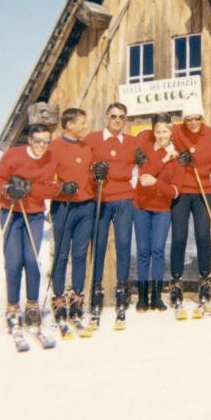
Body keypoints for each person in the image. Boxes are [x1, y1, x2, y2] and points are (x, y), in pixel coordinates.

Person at [0, 124, 58, 335]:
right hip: (11, 211)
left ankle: (33, 305)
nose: (42, 146)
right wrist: (8, 188)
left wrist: (30, 188)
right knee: (13, 261)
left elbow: (53, 189)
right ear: (29, 140)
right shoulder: (13, 155)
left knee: (31, 259)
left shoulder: (50, 159)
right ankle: (12, 306)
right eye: (38, 141)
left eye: (46, 141)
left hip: (34, 214)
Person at [170, 94, 211, 310]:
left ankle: (205, 280)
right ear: (184, 119)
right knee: (179, 236)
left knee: (203, 235)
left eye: (197, 118)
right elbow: (154, 141)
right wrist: (177, 157)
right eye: (189, 119)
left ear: (202, 118)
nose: (193, 123)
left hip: (203, 189)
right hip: (181, 190)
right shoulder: (176, 131)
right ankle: (176, 282)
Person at [84, 102, 138, 326]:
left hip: (124, 198)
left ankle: (122, 291)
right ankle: (96, 292)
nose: (117, 120)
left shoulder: (132, 142)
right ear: (106, 118)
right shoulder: (93, 139)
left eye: (121, 117)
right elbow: (83, 167)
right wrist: (93, 173)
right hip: (101, 197)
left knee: (123, 244)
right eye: (114, 116)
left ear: (126, 120)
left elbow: (151, 154)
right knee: (98, 244)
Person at [47, 108, 96, 329]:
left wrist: (99, 173)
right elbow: (45, 179)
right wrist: (60, 187)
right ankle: (58, 299)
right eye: (82, 122)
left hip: (86, 206)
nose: (85, 126)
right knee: (61, 254)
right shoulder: (54, 147)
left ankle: (76, 298)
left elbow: (91, 174)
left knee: (80, 254)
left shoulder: (86, 147)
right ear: (69, 125)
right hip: (64, 206)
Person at [132, 113, 181, 312]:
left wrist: (157, 183)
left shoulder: (176, 157)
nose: (161, 135)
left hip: (162, 209)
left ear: (171, 132)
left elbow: (175, 191)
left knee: (158, 250)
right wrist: (164, 159)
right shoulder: (145, 149)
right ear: (153, 132)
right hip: (142, 207)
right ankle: (143, 297)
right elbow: (144, 177)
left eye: (165, 131)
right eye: (158, 132)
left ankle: (157, 297)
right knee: (143, 251)